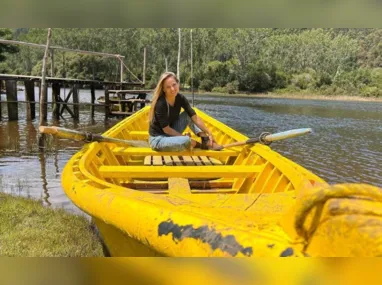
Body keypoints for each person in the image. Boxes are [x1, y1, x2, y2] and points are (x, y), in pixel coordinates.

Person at [148, 72, 221, 152]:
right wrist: (183, 137)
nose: (172, 89)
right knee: (186, 141)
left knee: (188, 115)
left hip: (171, 133)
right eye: (168, 87)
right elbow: (166, 130)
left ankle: (205, 140)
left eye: (174, 85)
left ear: (178, 84)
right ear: (164, 89)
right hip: (159, 139)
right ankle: (199, 145)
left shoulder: (180, 98)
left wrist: (209, 133)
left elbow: (194, 117)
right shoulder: (161, 103)